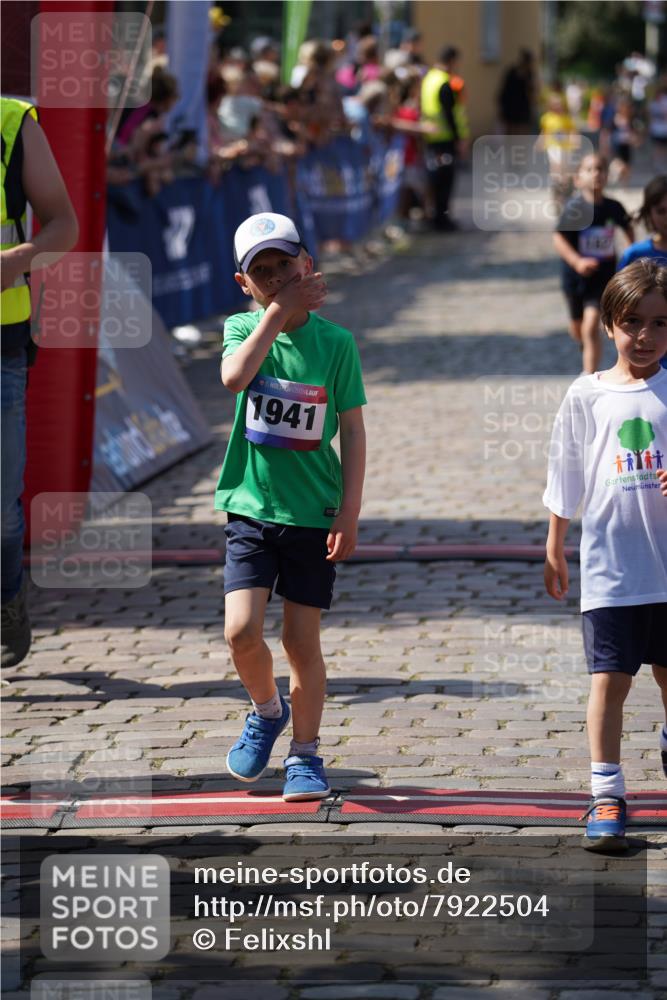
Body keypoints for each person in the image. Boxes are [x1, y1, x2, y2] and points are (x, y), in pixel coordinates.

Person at [216, 212, 366, 801]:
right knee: (240, 632)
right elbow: (234, 378)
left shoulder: (336, 343)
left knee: (303, 643)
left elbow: (352, 431)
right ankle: (266, 710)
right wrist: (275, 316)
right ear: (244, 283)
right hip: (251, 509)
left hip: (313, 514)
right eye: (263, 271)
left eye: (286, 264)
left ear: (308, 263)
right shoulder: (240, 329)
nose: (277, 277)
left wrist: (350, 511)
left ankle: (305, 754)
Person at [543, 257, 667, 851]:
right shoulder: (585, 394)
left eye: (660, 324)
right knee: (608, 681)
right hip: (611, 568)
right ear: (611, 324)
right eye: (633, 323)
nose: (645, 336)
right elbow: (565, 472)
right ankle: (607, 792)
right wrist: (554, 545)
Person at [1, 97, 79, 668]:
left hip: (1, 335)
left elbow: (64, 224)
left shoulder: (12, 122)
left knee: (1, 505)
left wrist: (18, 259)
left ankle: (6, 599)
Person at [554, 153, 633, 374]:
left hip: (603, 276)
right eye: (589, 169)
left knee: (591, 326)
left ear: (607, 176)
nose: (596, 174)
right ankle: (585, 345)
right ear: (577, 179)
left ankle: (588, 375)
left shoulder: (614, 207)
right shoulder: (574, 209)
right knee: (577, 328)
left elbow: (628, 229)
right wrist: (577, 261)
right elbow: (559, 238)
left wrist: (630, 253)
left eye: (600, 169)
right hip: (574, 278)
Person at [420, 46, 469, 231]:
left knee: (435, 179)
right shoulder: (444, 82)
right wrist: (459, 139)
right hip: (445, 138)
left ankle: (436, 216)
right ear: (451, 60)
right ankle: (442, 219)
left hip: (432, 137)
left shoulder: (429, 79)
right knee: (445, 181)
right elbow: (449, 113)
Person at [498, 49, 535, 133]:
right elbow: (504, 92)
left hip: (522, 111)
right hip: (512, 110)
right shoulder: (512, 73)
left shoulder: (529, 74)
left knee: (520, 134)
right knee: (513, 133)